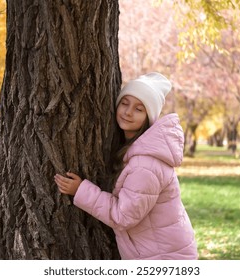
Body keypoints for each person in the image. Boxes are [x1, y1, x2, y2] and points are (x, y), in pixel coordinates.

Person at [54, 72, 198, 260]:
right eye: (124, 103)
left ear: (149, 117)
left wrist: (81, 190)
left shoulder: (145, 166)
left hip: (164, 259)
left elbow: (123, 216)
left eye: (139, 109)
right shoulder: (136, 151)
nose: (128, 112)